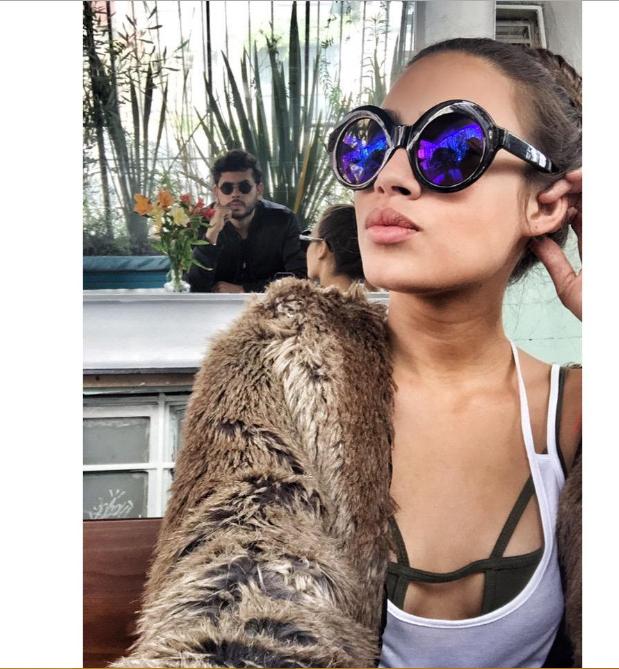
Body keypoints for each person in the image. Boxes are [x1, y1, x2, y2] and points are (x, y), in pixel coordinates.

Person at [113, 39, 581, 669]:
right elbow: (230, 612)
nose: (389, 175)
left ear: (545, 203)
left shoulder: (576, 414)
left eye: (449, 147)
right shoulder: (280, 380)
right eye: (371, 144)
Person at [185, 149, 307, 293]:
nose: (235, 194)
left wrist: (244, 290)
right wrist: (211, 234)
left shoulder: (283, 220)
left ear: (259, 189)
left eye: (244, 187)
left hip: (270, 305)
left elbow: (299, 277)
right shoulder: (199, 223)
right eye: (227, 188)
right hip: (215, 306)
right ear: (216, 192)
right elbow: (191, 286)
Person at [301, 203, 378, 291]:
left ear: (322, 248)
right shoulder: (383, 298)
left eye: (309, 240)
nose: (307, 249)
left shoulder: (294, 298)